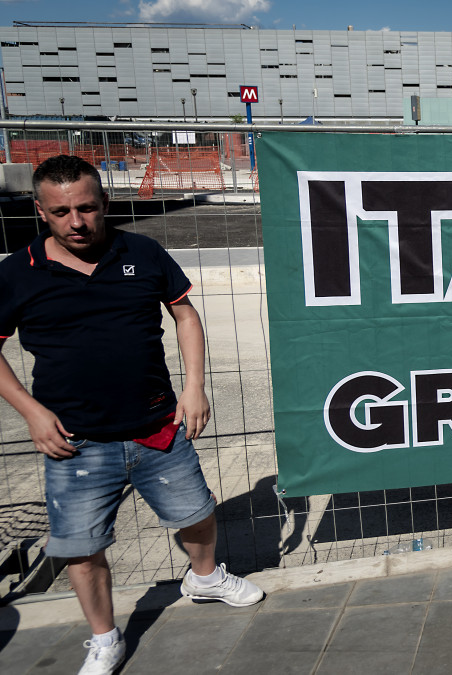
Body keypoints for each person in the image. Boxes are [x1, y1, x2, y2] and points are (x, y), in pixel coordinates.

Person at [0, 156, 263, 675]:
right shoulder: (15, 273)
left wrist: (194, 388)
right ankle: (105, 637)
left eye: (86, 208)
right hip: (74, 441)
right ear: (40, 211)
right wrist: (30, 412)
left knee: (197, 513)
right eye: (60, 212)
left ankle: (205, 578)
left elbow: (184, 315)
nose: (76, 221)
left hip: (158, 427)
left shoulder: (142, 251)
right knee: (81, 548)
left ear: (104, 204)